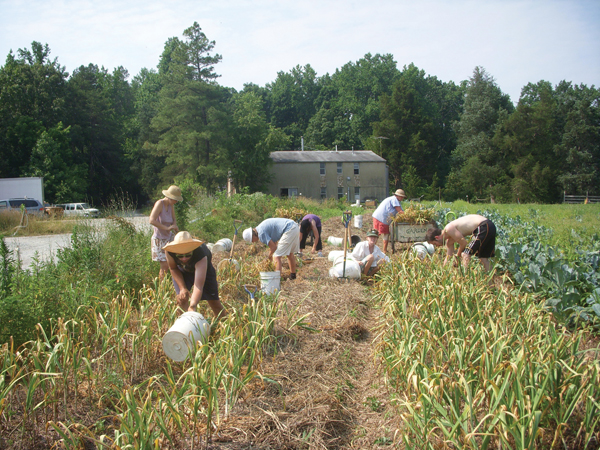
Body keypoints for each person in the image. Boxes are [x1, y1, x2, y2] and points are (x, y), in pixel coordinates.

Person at [164, 231, 226, 318]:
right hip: (183, 271)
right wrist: (182, 288)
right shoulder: (170, 251)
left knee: (214, 302)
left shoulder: (201, 254)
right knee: (182, 299)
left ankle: (223, 324)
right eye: (180, 256)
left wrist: (192, 306)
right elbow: (173, 268)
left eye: (188, 255)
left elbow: (198, 286)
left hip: (204, 272)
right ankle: (182, 326)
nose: (184, 258)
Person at [425, 214, 496, 271]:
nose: (437, 246)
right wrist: (444, 271)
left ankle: (465, 281)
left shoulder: (448, 229)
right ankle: (491, 286)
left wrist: (457, 256)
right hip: (490, 226)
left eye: (435, 243)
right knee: (483, 258)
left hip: (483, 226)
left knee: (465, 254)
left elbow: (464, 243)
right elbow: (448, 257)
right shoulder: (449, 241)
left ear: (437, 237)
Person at [149, 185, 182, 280]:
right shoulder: (160, 203)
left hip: (168, 238)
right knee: (164, 266)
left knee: (174, 261)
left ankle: (173, 282)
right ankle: (162, 288)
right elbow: (152, 220)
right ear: (170, 197)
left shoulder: (171, 206)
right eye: (175, 199)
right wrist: (166, 228)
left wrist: (174, 226)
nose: (176, 202)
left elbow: (174, 219)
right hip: (159, 239)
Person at [372, 189, 407, 253]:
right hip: (381, 217)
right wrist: (407, 215)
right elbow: (400, 211)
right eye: (401, 196)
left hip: (384, 218)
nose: (402, 198)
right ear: (397, 196)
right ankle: (372, 249)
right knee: (377, 234)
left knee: (386, 233)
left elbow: (401, 210)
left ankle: (383, 250)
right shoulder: (394, 199)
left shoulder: (395, 200)